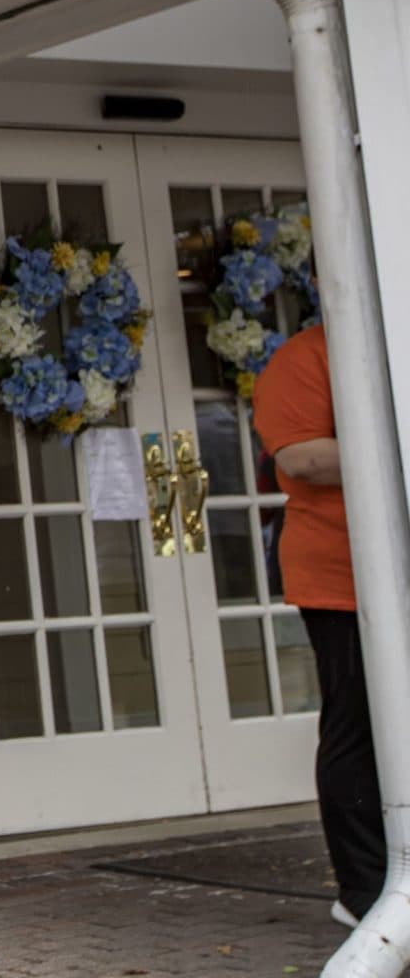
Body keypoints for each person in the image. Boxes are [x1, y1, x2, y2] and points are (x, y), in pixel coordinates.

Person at [253, 321, 384, 928]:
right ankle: (365, 890)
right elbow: (302, 456)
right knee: (358, 720)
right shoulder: (303, 358)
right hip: (342, 572)